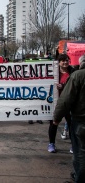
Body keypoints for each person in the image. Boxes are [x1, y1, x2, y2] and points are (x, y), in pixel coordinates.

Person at [53, 54, 85, 182]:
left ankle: (80, 178)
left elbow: (65, 100)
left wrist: (56, 117)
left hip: (81, 121)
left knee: (81, 153)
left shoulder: (78, 75)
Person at [48, 54, 75, 153]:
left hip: (69, 102)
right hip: (57, 102)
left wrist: (63, 86)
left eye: (67, 60)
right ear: (58, 62)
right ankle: (51, 143)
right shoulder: (53, 73)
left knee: (72, 124)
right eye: (63, 60)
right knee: (54, 123)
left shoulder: (73, 72)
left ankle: (74, 145)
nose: (65, 62)